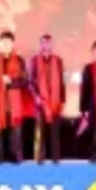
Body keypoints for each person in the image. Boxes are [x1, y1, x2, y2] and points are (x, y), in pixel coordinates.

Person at [0, 30, 30, 164]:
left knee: (15, 131)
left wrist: (12, 81)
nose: (5, 45)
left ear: (12, 44)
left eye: (8, 42)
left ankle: (15, 155)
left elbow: (25, 81)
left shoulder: (19, 60)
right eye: (3, 42)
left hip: (14, 103)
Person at [29, 34, 67, 164]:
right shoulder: (34, 60)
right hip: (41, 102)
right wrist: (36, 97)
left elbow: (62, 82)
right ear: (40, 44)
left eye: (49, 42)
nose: (46, 45)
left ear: (52, 44)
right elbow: (30, 82)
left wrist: (63, 100)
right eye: (44, 43)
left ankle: (56, 159)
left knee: (55, 133)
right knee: (40, 132)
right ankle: (40, 159)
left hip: (55, 102)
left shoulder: (58, 60)